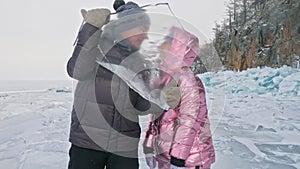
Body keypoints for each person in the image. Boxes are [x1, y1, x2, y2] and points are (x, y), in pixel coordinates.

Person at [66, 0, 181, 169]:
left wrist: (162, 100)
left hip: (124, 147)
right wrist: (90, 28)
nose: (146, 35)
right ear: (124, 28)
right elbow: (77, 70)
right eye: (142, 29)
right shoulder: (96, 49)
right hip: (88, 142)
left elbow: (139, 105)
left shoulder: (140, 62)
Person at [143, 26, 216, 169]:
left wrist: (178, 157)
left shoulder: (187, 79)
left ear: (176, 47)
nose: (160, 46)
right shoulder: (163, 78)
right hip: (165, 156)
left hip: (188, 159)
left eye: (165, 42)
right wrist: (149, 146)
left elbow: (191, 118)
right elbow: (156, 117)